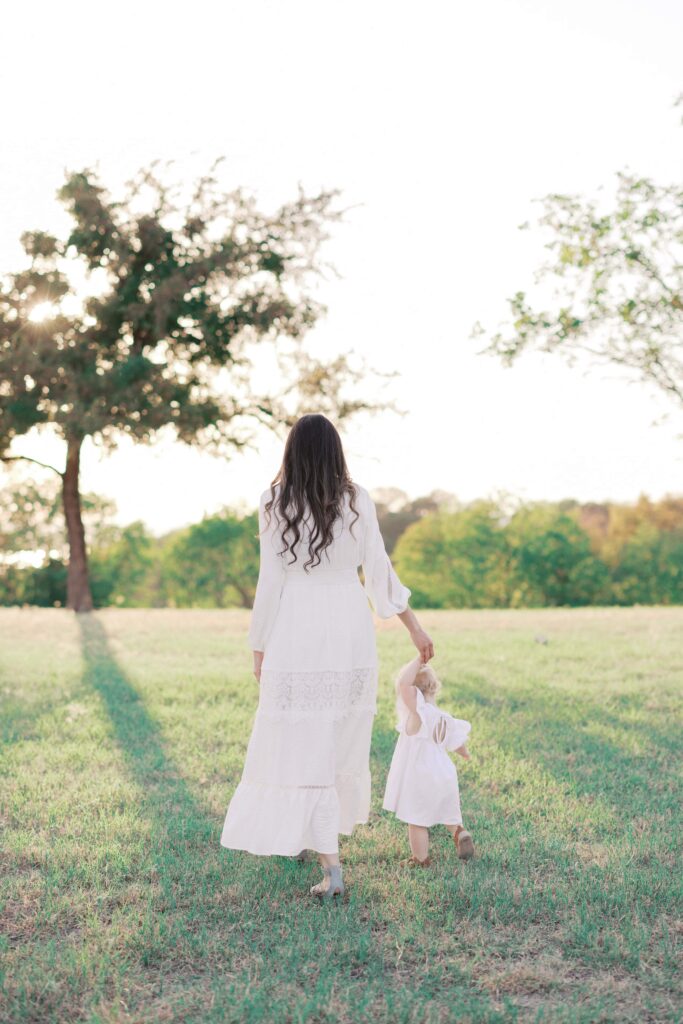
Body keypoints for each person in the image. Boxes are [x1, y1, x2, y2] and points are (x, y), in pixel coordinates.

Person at [220, 413, 434, 899]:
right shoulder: (357, 500)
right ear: (335, 450)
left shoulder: (274, 500)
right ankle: (317, 843)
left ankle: (331, 868)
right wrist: (414, 627)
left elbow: (270, 581)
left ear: (291, 451)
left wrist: (258, 646)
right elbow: (379, 571)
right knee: (334, 741)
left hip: (296, 627)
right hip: (347, 628)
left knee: (301, 739)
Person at [382, 655, 474, 867]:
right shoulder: (443, 717)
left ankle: (420, 859)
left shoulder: (417, 714)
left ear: (414, 693)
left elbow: (403, 683)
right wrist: (465, 754)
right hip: (444, 773)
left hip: (420, 776)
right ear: (434, 688)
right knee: (449, 812)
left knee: (416, 819)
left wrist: (417, 659)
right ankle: (459, 832)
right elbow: (457, 743)